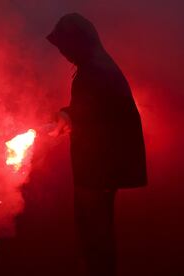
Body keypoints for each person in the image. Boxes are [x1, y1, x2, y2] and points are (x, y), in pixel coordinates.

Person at [46, 13, 147, 276]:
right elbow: (92, 110)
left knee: (96, 234)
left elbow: (95, 113)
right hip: (100, 168)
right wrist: (68, 115)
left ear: (77, 43)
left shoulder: (95, 71)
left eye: (65, 47)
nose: (63, 54)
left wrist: (68, 116)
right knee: (95, 231)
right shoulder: (96, 65)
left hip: (100, 169)